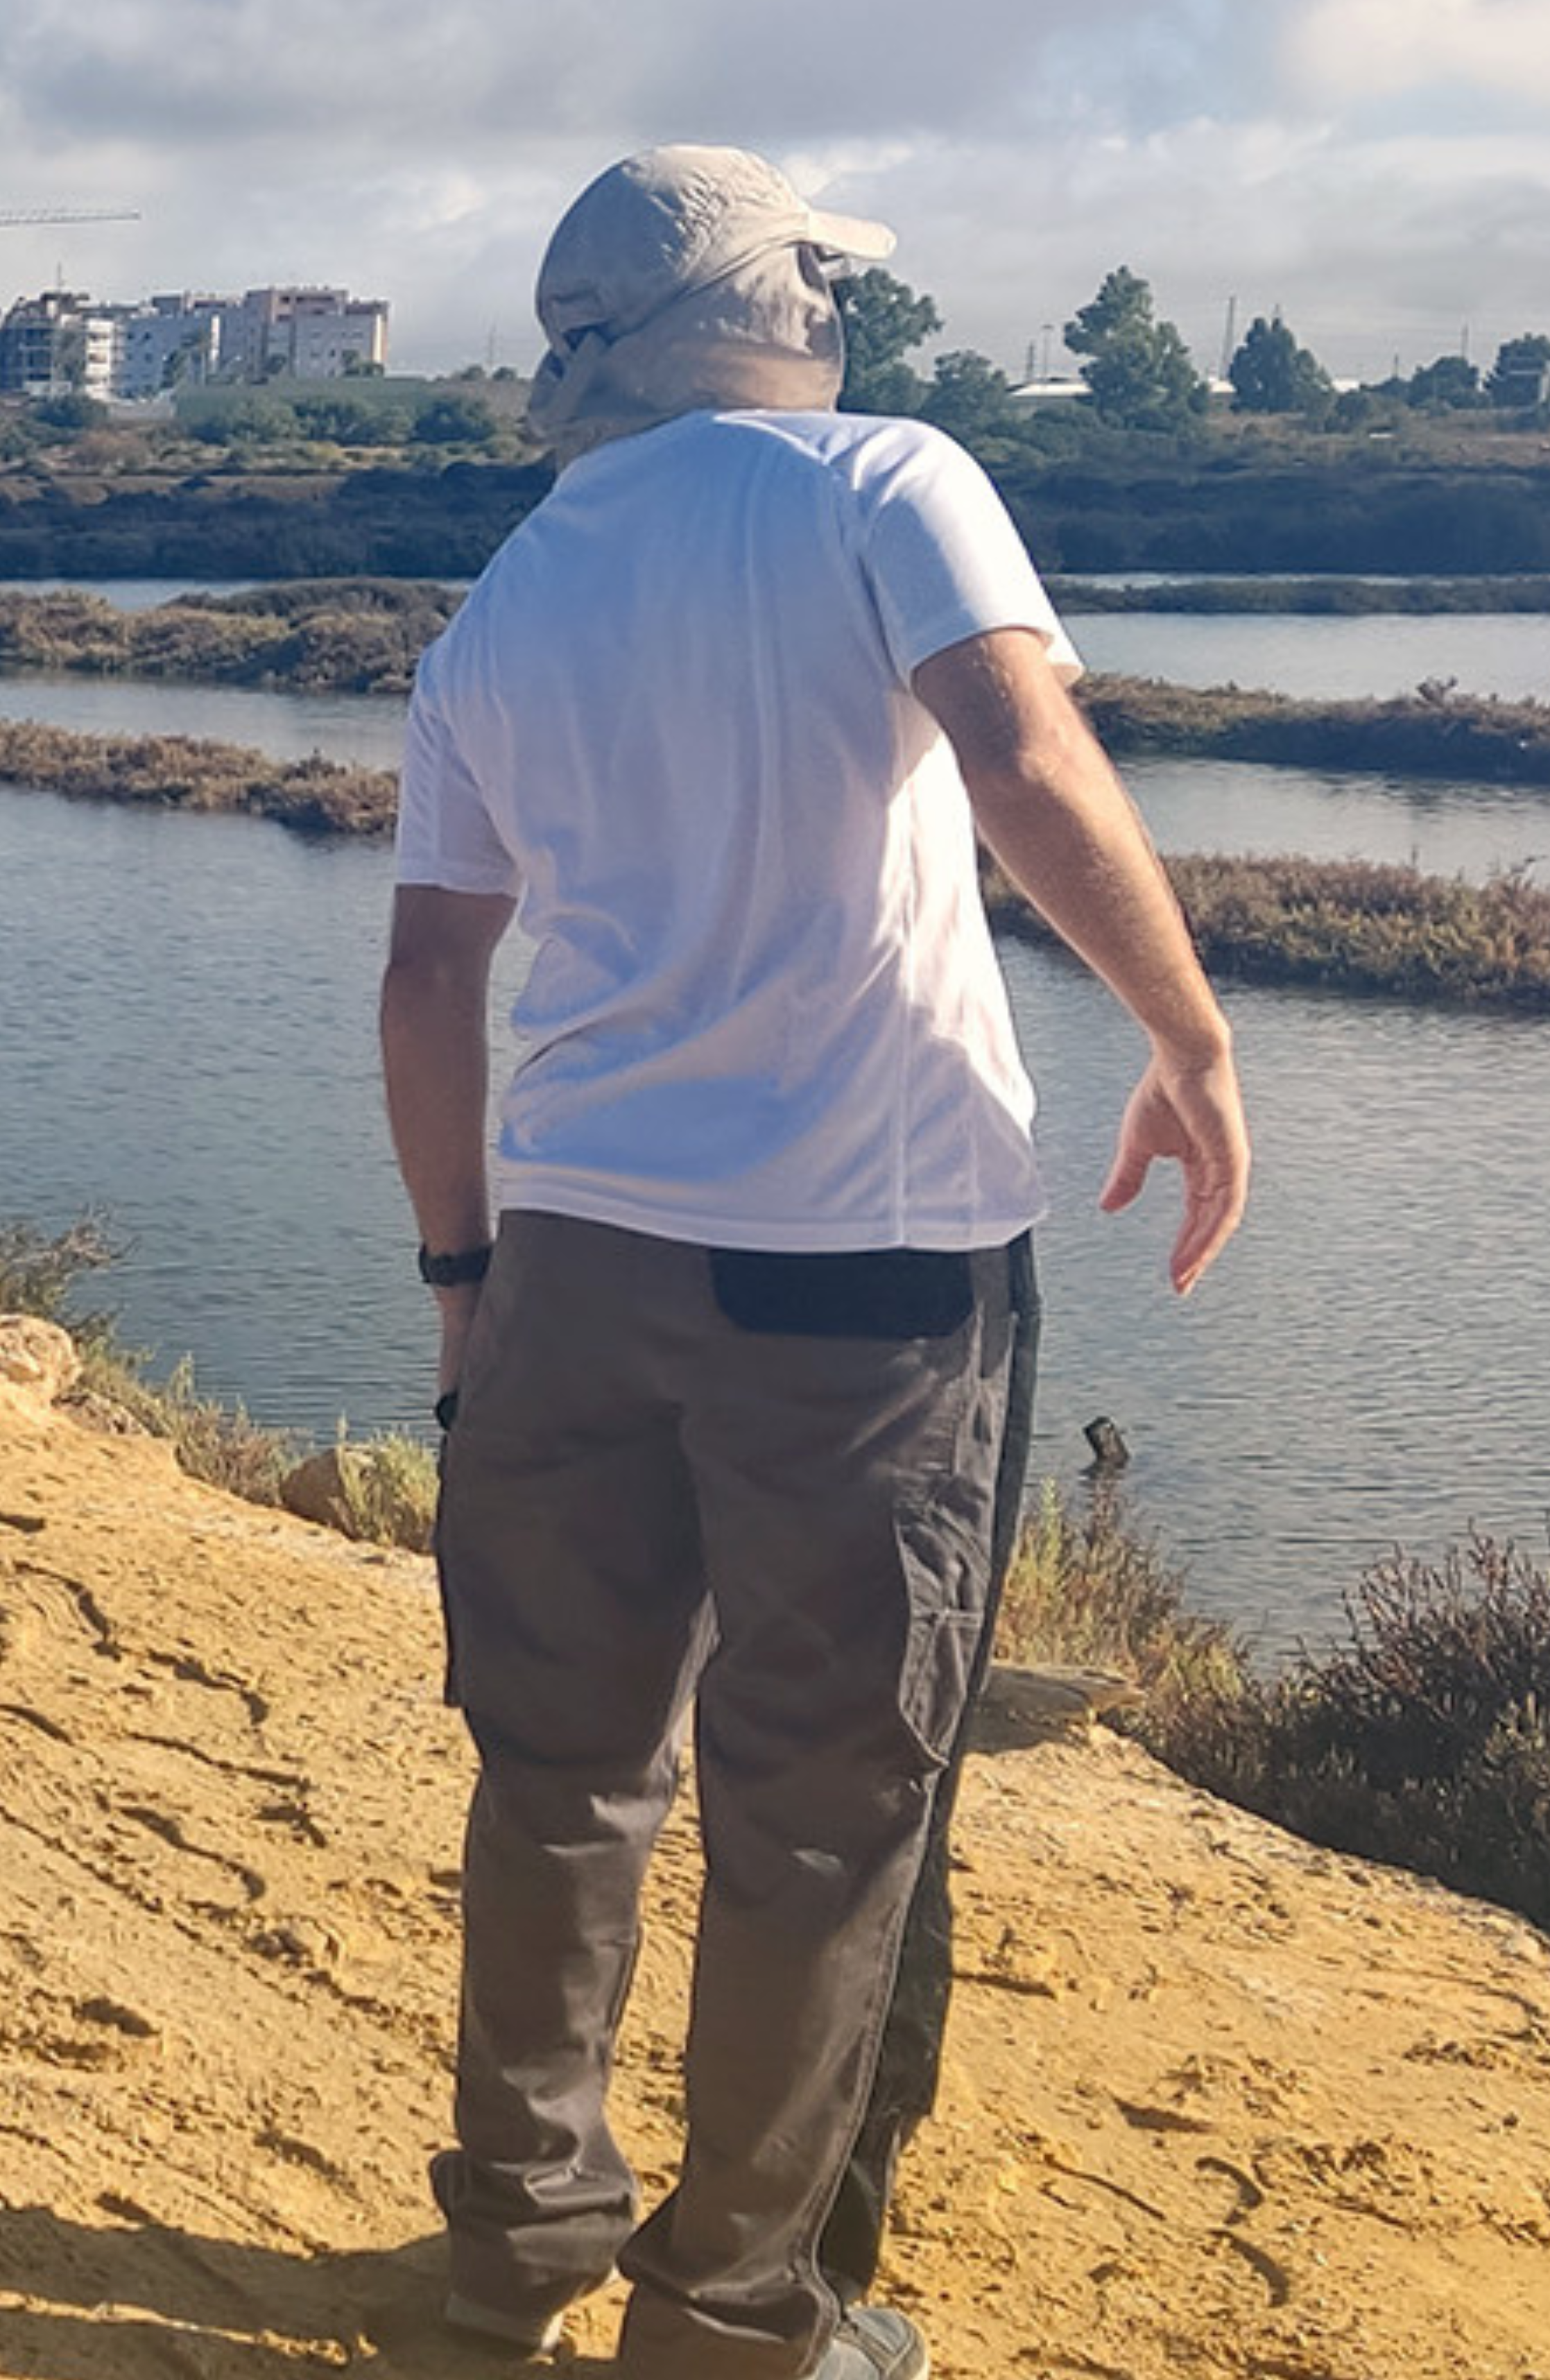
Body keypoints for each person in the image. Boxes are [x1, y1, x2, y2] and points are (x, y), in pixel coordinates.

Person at [376, 148, 1250, 2379]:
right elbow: (1026, 752)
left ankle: (512, 2252)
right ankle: (742, 2320)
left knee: (559, 1769)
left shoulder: (509, 592)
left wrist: (463, 1281)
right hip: (863, 1278)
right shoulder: (889, 479)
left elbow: (428, 978)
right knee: (820, 1817)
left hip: (572, 1253)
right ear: (767, 306)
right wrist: (1189, 1034)